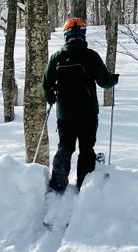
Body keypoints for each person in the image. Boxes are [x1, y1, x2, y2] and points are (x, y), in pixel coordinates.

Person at [42, 17, 118, 192]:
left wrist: (51, 98)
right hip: (88, 113)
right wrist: (113, 80)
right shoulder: (91, 56)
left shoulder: (57, 57)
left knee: (65, 146)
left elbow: (46, 84)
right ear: (83, 35)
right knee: (86, 148)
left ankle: (58, 183)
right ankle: (84, 183)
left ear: (66, 35)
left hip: (65, 114)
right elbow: (105, 82)